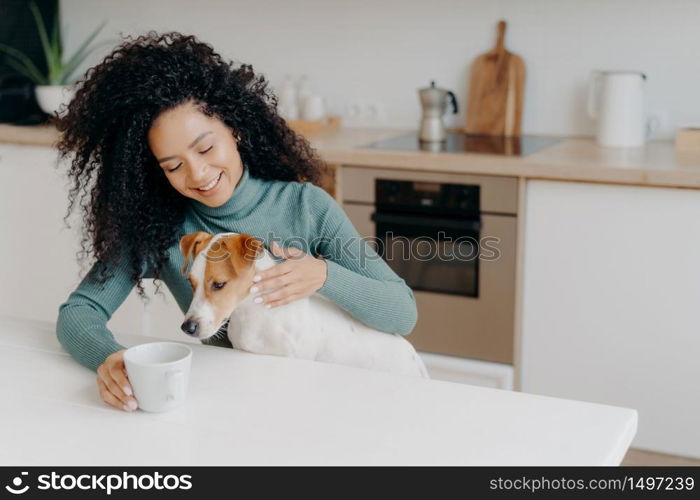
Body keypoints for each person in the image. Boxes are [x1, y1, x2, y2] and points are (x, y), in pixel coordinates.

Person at [55, 32, 417, 413]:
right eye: (173, 166)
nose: (198, 173)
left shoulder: (306, 207)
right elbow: (79, 313)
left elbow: (402, 313)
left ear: (236, 128)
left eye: (206, 148)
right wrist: (111, 358)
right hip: (241, 406)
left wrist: (324, 275)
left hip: (337, 400)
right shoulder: (159, 229)